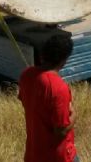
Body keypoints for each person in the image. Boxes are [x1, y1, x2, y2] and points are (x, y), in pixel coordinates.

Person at [18, 33, 79, 162]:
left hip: (33, 154)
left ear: (43, 55)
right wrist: (73, 115)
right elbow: (60, 131)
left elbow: (25, 101)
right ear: (64, 60)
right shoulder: (58, 87)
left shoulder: (26, 75)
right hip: (58, 156)